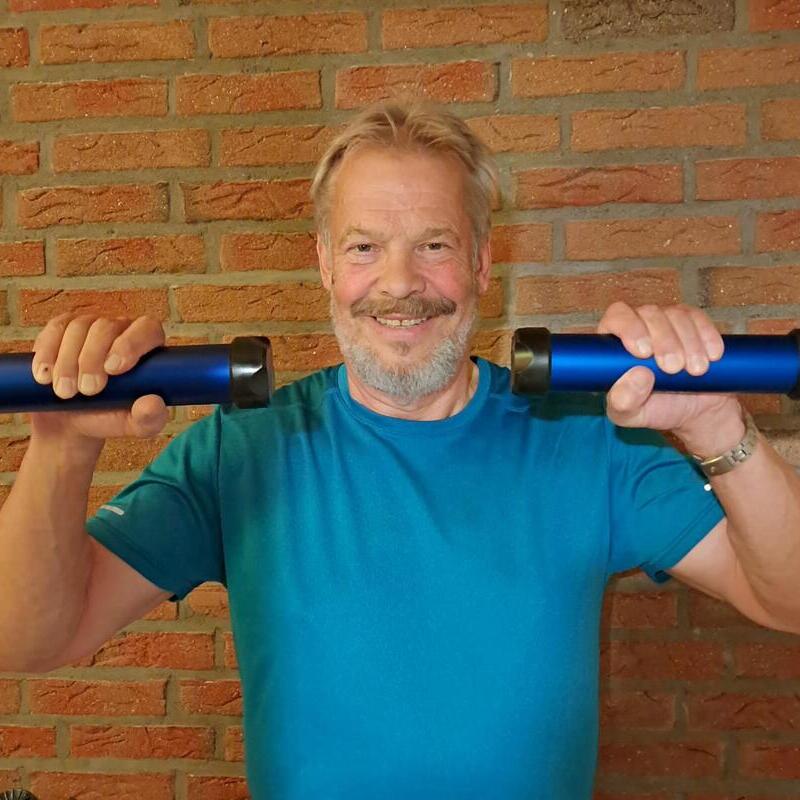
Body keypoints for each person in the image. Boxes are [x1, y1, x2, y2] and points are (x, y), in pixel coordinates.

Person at [1, 98, 799, 799]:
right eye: (363, 248)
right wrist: (60, 449)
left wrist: (715, 427)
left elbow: (787, 601)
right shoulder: (240, 453)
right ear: (324, 263)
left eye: (435, 246)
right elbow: (30, 640)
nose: (399, 283)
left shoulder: (588, 440)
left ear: (482, 263)